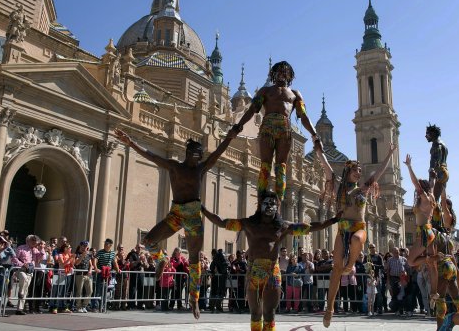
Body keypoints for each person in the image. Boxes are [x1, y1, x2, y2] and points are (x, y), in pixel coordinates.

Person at [114, 126, 239, 319]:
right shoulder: (174, 166)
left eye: (201, 153)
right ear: (189, 153)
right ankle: (161, 259)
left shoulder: (200, 168)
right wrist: (131, 143)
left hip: (193, 216)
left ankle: (194, 299)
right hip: (177, 213)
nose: (200, 156)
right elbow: (151, 156)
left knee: (195, 259)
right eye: (197, 153)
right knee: (148, 241)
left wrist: (229, 138)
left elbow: (216, 154)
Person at [201, 191, 340, 331]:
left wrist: (334, 220)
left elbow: (311, 227)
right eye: (267, 203)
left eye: (273, 204)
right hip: (254, 270)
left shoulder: (283, 226)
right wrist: (202, 208)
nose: (270, 206)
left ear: (278, 207)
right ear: (260, 205)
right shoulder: (248, 223)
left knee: (269, 314)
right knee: (255, 313)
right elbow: (221, 222)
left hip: (273, 271)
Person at [323, 145, 397, 326]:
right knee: (335, 270)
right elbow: (326, 166)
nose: (359, 172)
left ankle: (350, 265)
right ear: (348, 170)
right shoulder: (339, 188)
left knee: (357, 240)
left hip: (359, 227)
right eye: (356, 170)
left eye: (360, 170)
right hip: (343, 229)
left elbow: (379, 172)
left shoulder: (364, 188)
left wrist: (389, 153)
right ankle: (330, 307)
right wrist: (318, 149)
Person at [232, 61, 322, 204]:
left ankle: (278, 203)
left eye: (285, 71)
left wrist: (314, 135)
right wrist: (238, 126)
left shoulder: (295, 94)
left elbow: (303, 116)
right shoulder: (265, 91)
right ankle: (261, 202)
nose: (281, 73)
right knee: (265, 165)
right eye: (279, 71)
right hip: (267, 129)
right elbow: (252, 110)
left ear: (290, 74)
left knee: (281, 167)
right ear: (273, 73)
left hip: (285, 131)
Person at [404, 154, 440, 302]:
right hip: (429, 231)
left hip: (424, 233)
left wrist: (409, 167)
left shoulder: (424, 197)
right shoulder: (430, 195)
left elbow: (415, 182)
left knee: (411, 261)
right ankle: (434, 293)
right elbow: (432, 182)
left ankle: (431, 258)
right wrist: (433, 174)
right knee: (432, 266)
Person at [12, 235, 41, 315]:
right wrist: (22, 264)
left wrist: (41, 249)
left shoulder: (35, 250)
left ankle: (20, 309)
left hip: (30, 271)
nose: (34, 242)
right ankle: (20, 293)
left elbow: (41, 258)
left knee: (25, 290)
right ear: (28, 241)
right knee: (24, 280)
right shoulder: (21, 248)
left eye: (35, 240)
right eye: (33, 240)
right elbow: (14, 258)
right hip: (21, 270)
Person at [425, 124, 448, 202]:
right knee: (440, 199)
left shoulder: (436, 144)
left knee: (433, 200)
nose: (426, 136)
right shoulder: (443, 144)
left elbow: (435, 159)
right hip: (444, 172)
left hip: (438, 173)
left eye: (427, 134)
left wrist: (432, 170)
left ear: (433, 134)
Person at [73, 241, 94, 313]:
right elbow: (76, 263)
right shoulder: (77, 254)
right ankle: (78, 306)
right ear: (80, 246)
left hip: (88, 275)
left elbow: (91, 265)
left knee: (90, 291)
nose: (85, 248)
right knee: (79, 291)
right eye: (84, 246)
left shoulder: (89, 255)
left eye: (86, 246)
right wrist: (82, 255)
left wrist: (90, 270)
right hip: (79, 274)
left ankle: (84, 305)